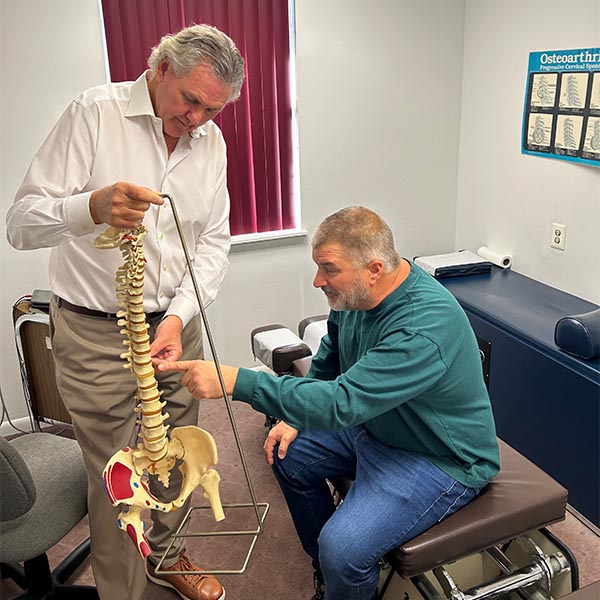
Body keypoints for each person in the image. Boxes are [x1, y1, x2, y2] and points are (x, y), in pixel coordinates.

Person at [6, 24, 244, 600]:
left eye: (213, 110)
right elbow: (20, 223)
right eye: (191, 100)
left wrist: (177, 314)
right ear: (160, 68)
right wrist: (88, 207)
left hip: (173, 327)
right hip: (94, 335)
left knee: (176, 457)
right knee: (117, 477)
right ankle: (124, 592)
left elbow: (213, 241)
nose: (197, 120)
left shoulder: (210, 144)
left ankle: (164, 554)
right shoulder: (94, 114)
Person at [159, 206, 501, 600]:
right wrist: (293, 416)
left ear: (374, 268)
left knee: (343, 549)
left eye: (328, 269)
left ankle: (341, 570)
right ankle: (334, 578)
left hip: (439, 457)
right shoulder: (357, 296)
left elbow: (343, 403)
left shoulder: (421, 326)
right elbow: (330, 357)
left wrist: (235, 380)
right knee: (287, 455)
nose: (318, 280)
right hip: (380, 424)